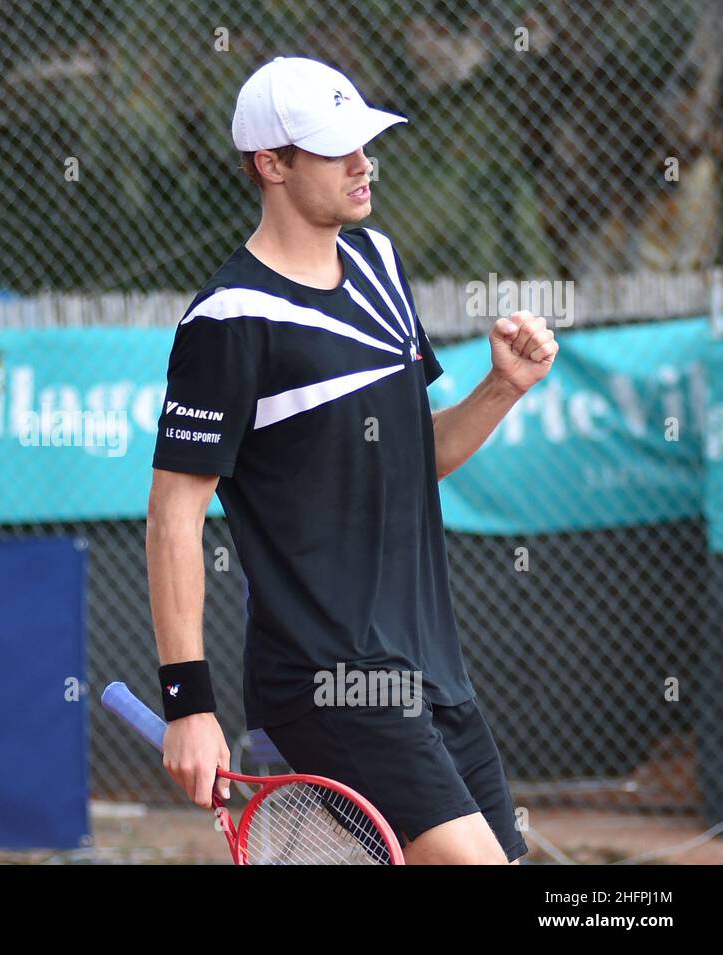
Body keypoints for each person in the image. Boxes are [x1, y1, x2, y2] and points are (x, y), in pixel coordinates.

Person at [146, 57, 557, 864]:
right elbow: (174, 514)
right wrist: (187, 703)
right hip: (327, 676)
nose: (362, 162)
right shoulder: (229, 320)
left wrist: (502, 388)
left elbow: (415, 457)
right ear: (271, 164)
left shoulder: (379, 265)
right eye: (337, 149)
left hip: (432, 666)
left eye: (364, 142)